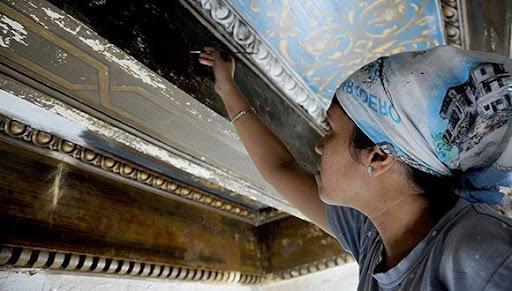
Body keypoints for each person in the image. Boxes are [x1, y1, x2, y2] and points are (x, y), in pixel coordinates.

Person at [198, 46, 512, 290]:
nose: (320, 146)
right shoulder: (374, 236)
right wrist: (227, 87)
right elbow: (281, 168)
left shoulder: (481, 254)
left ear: (378, 157)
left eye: (331, 130)